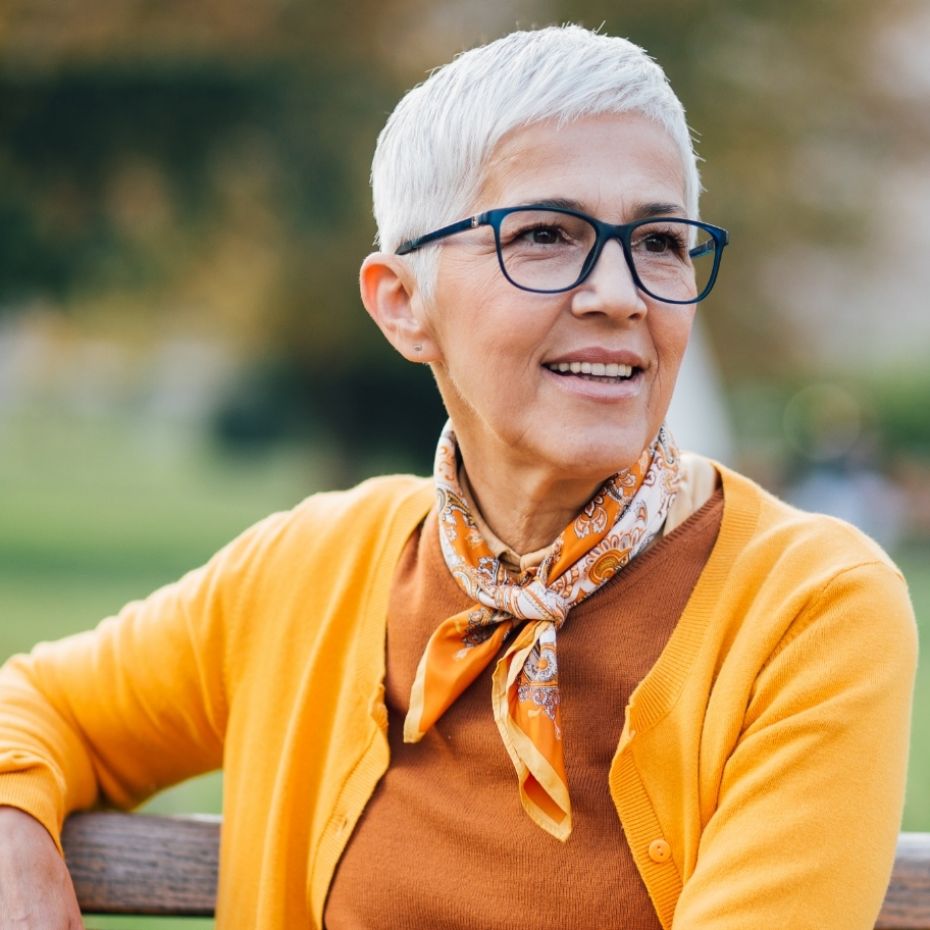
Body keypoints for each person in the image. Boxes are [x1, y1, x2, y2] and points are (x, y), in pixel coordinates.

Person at [0, 24, 917, 930]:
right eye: (549, 235)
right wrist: (11, 827)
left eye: (661, 242)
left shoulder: (810, 610)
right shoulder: (309, 571)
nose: (620, 293)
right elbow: (34, 707)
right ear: (403, 306)